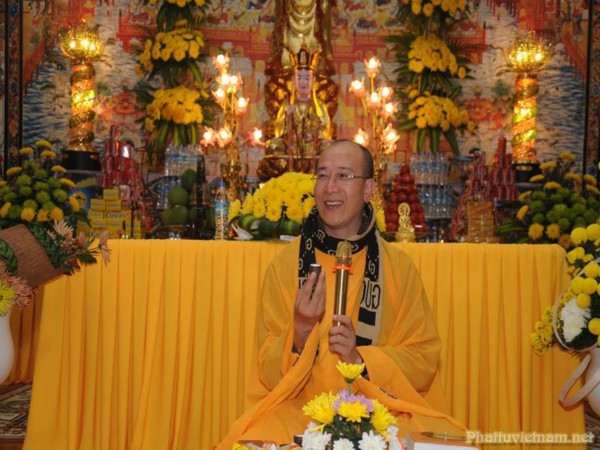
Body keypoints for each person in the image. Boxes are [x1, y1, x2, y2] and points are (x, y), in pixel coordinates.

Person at [218, 140, 464, 448]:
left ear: (368, 189)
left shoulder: (398, 268)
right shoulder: (285, 266)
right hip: (299, 409)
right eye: (323, 175)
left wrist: (361, 358)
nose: (330, 187)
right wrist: (299, 333)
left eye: (344, 175)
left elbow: (423, 359)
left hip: (381, 409)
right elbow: (267, 372)